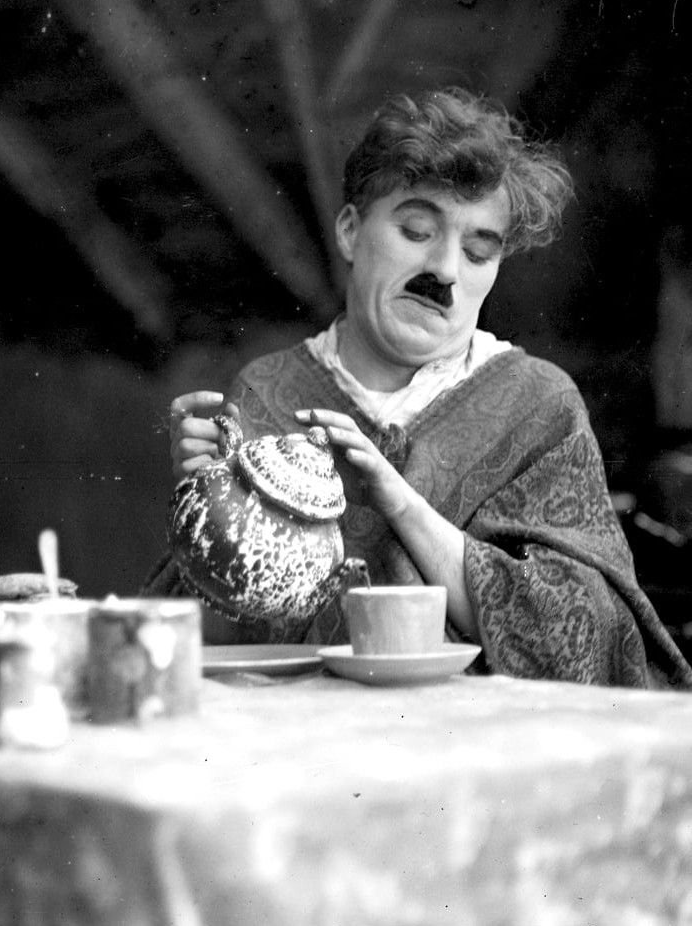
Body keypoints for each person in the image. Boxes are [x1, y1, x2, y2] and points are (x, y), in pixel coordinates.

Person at [149, 85, 692, 689]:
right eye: (415, 231)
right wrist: (205, 510)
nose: (445, 270)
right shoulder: (267, 391)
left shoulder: (540, 406)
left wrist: (405, 507)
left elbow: (590, 645)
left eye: (478, 252)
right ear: (350, 231)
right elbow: (212, 650)